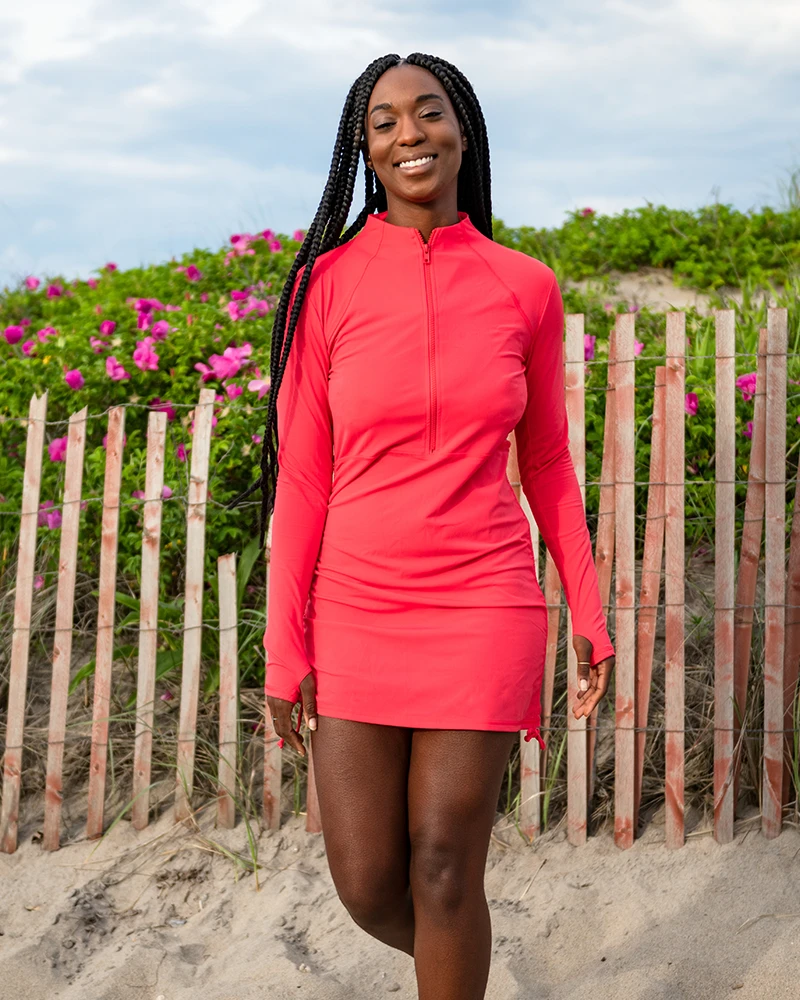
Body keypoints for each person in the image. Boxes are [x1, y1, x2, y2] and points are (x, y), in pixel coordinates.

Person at [244, 51, 615, 1000]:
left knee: (445, 864)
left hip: (483, 601)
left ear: (463, 130)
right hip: (356, 604)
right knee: (368, 884)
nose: (411, 132)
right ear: (364, 150)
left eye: (430, 112)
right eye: (385, 121)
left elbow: (547, 463)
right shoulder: (323, 287)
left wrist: (588, 606)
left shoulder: (524, 285)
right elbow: (304, 485)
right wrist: (285, 653)